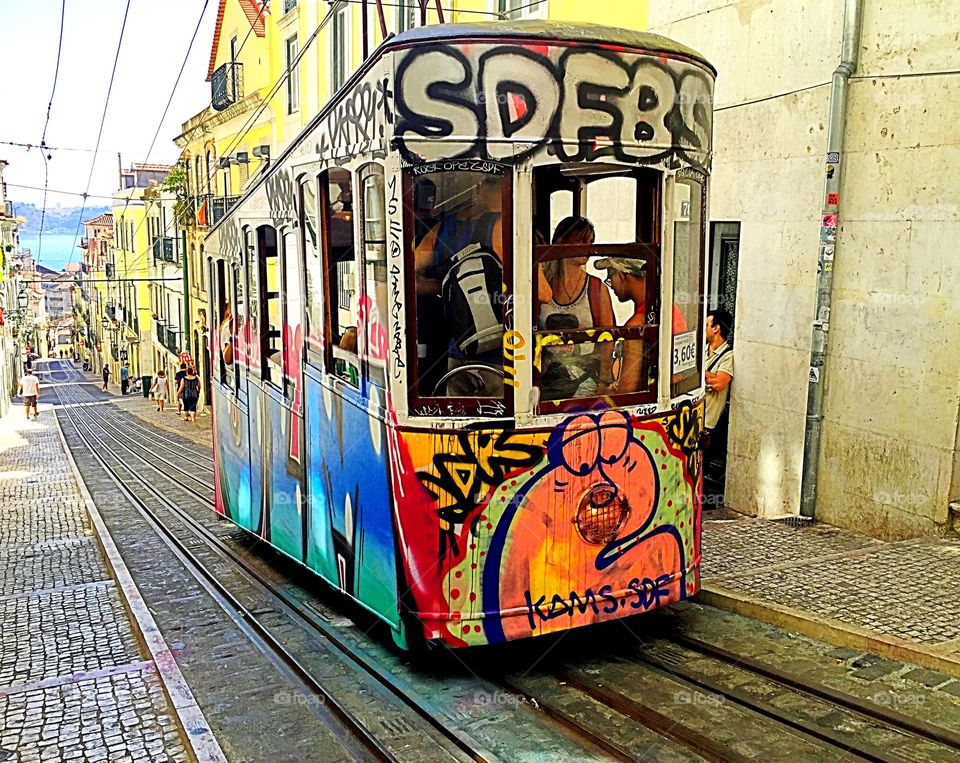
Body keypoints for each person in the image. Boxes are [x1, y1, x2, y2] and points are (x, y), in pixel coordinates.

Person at [413, 174, 504, 396]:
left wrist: (449, 289)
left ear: (479, 190)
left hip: (459, 348)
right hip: (501, 351)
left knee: (458, 414)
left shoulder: (443, 229)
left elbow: (409, 275)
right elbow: (539, 290)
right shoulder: (501, 225)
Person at [538, 217, 615, 400]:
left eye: (590, 242)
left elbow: (607, 339)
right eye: (581, 241)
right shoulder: (543, 287)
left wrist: (604, 381)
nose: (587, 247)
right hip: (544, 381)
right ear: (560, 242)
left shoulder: (596, 288)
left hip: (585, 380)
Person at [703, 309, 735, 509]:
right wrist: (708, 376)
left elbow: (720, 383)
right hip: (694, 416)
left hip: (709, 420)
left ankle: (703, 502)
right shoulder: (702, 350)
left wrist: (699, 374)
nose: (704, 328)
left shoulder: (727, 355)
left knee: (701, 465)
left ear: (716, 329)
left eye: (707, 325)